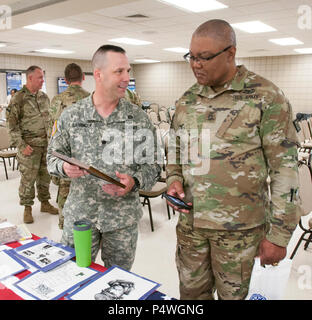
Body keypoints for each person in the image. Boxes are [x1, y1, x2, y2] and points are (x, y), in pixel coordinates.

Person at [166, 19, 301, 300]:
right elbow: (175, 151)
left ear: (231, 53)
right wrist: (174, 179)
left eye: (204, 57)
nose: (195, 65)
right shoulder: (187, 100)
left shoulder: (266, 97)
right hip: (191, 228)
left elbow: (285, 172)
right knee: (191, 297)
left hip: (240, 234)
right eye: (191, 56)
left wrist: (278, 236)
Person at [47, 45, 160, 271]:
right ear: (98, 74)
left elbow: (154, 165)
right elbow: (52, 157)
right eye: (119, 72)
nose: (127, 78)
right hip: (81, 216)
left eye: (128, 71)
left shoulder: (138, 118)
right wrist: (64, 168)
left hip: (122, 220)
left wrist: (135, 181)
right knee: (73, 274)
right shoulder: (72, 115)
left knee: (118, 284)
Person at [7, 66, 58, 224]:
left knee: (45, 177)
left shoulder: (44, 97)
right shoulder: (18, 99)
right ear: (30, 78)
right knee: (28, 179)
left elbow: (50, 121)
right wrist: (22, 146)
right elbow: (12, 127)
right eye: (40, 78)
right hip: (29, 147)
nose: (43, 81)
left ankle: (45, 203)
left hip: (45, 145)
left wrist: (52, 141)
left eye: (43, 77)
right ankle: (27, 208)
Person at [49, 63, 90, 229]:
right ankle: (85, 228)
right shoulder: (91, 98)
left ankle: (64, 224)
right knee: (87, 193)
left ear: (65, 80)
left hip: (65, 155)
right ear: (84, 77)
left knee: (64, 191)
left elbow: (53, 129)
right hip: (87, 157)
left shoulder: (57, 100)